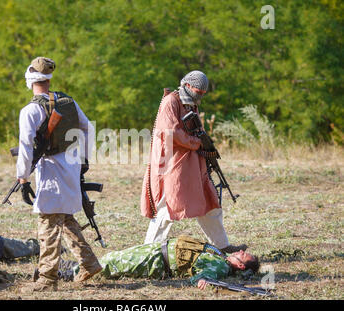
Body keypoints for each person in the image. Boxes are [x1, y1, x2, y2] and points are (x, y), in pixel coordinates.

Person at [17, 57, 102, 293]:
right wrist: (84, 159)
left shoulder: (30, 110)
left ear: (30, 79)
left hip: (52, 170)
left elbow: (25, 146)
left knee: (47, 221)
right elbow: (88, 128)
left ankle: (46, 278)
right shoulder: (68, 102)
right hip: (71, 164)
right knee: (64, 217)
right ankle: (90, 263)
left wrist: (22, 178)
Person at [141, 70, 247, 254]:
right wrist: (196, 143)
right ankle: (148, 252)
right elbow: (170, 132)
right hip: (172, 164)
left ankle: (222, 245)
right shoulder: (171, 101)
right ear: (187, 86)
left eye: (203, 93)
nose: (200, 96)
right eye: (198, 91)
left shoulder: (190, 103)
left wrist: (205, 147)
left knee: (209, 203)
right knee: (168, 207)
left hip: (193, 162)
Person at [66, 235, 259, 290]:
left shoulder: (220, 266)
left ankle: (62, 272)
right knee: (112, 258)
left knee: (110, 264)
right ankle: (64, 268)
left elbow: (201, 278)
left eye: (243, 255)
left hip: (157, 261)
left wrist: (204, 281)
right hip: (157, 251)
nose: (241, 251)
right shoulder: (219, 258)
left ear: (240, 266)